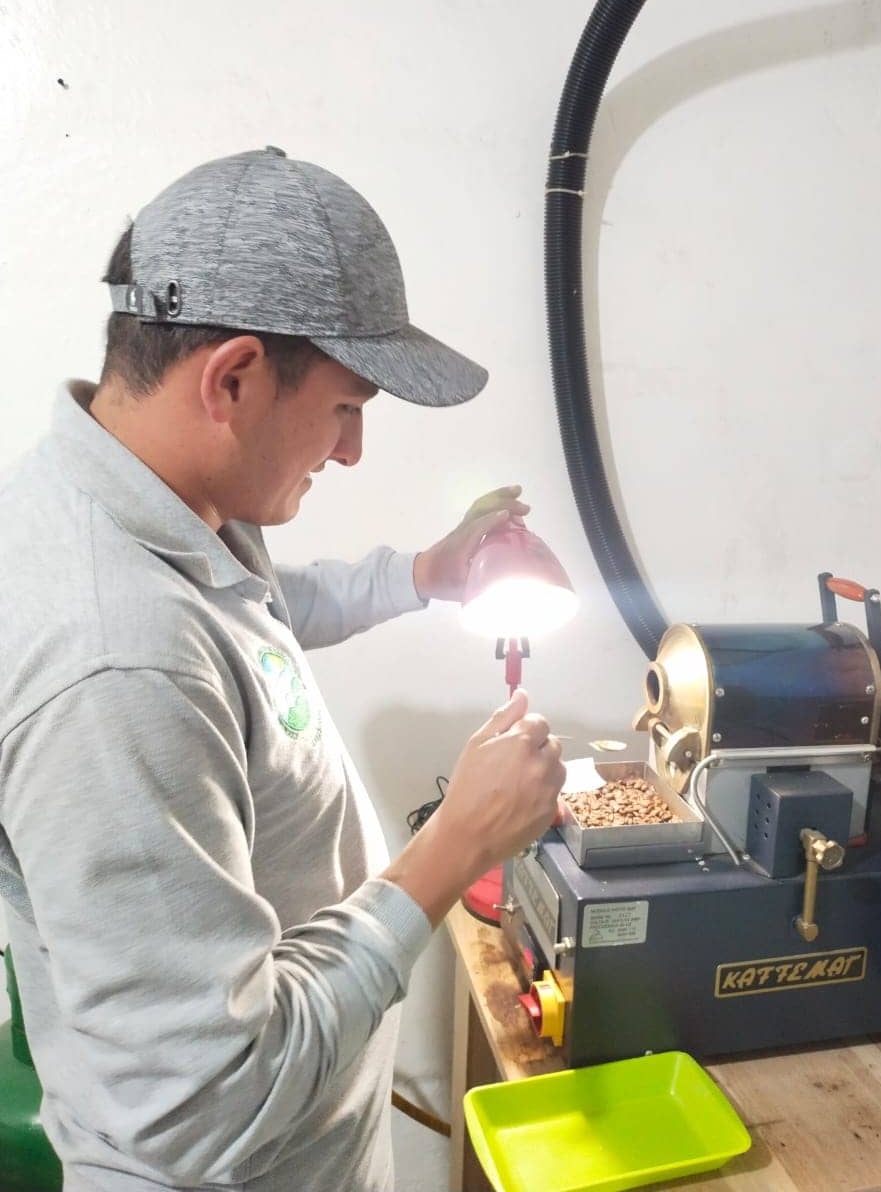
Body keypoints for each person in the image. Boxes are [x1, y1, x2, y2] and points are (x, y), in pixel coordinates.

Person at [0, 147, 565, 1192]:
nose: (350, 449)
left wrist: (425, 573)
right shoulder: (114, 664)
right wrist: (457, 843)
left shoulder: (154, 515)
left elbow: (251, 616)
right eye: (348, 406)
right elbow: (211, 1103)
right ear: (234, 378)